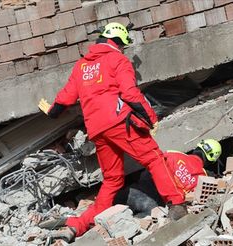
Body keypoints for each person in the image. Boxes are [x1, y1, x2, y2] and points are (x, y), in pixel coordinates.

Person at [38, 22, 187, 241]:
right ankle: (177, 204)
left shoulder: (81, 66)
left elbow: (64, 101)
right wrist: (151, 118)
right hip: (120, 123)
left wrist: (50, 110)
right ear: (117, 42)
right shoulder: (118, 59)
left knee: (112, 181)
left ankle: (78, 225)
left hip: (97, 130)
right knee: (154, 158)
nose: (124, 49)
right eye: (123, 45)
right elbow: (130, 94)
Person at [114, 139, 222, 218]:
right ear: (212, 160)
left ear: (198, 148)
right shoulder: (202, 178)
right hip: (153, 207)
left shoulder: (175, 154)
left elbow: (152, 165)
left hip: (133, 191)